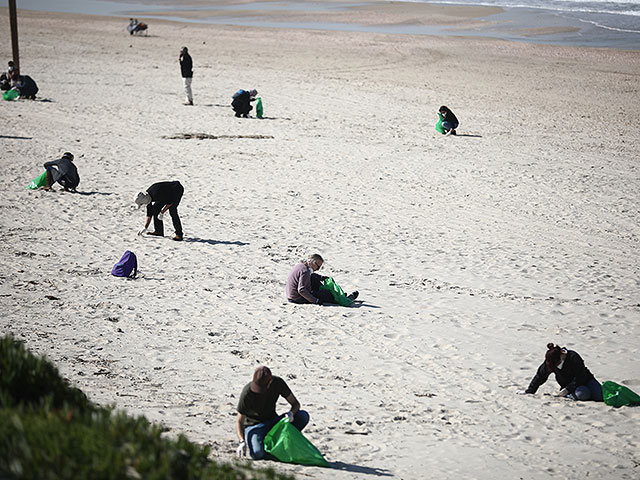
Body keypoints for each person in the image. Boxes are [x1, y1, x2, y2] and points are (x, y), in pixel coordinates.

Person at [235, 365, 310, 460]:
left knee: (303, 416)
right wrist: (242, 441)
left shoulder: (278, 383)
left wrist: (291, 413)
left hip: (273, 421)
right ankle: (272, 447)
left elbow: (295, 404)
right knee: (257, 454)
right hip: (254, 425)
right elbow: (239, 421)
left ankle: (280, 442)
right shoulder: (247, 392)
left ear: (270, 382)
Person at [520, 343, 603, 401]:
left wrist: (567, 389)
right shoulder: (550, 362)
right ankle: (569, 396)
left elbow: (581, 376)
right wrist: (530, 391)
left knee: (600, 396)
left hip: (585, 379)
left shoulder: (573, 357)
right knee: (584, 394)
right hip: (569, 386)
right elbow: (540, 376)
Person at [286, 253, 358, 306]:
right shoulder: (305, 271)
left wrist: (321, 278)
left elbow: (311, 276)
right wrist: (316, 300)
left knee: (315, 278)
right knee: (328, 294)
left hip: (292, 295)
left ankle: (337, 295)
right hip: (297, 298)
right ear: (311, 262)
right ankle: (344, 298)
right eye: (317, 267)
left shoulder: (301, 266)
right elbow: (302, 290)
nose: (317, 269)